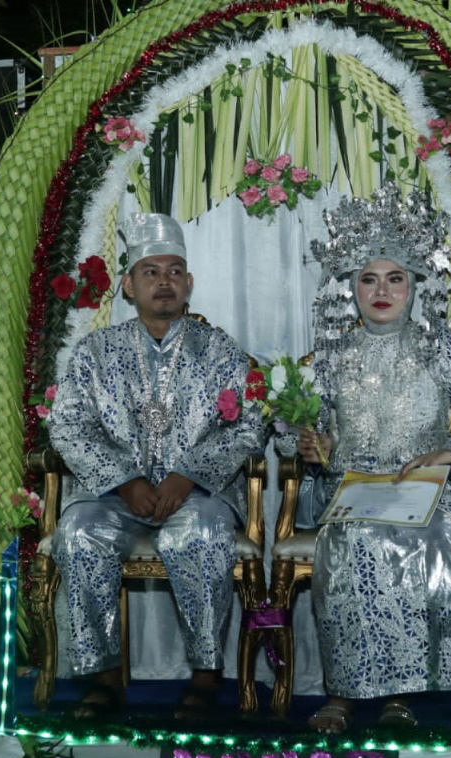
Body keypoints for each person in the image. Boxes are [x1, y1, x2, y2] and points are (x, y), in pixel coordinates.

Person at [287, 189, 451, 731]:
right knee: (353, 541)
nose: (381, 291)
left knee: (399, 541)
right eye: (368, 279)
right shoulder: (331, 355)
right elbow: (297, 430)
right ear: (350, 287)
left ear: (414, 286)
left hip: (431, 491)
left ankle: (400, 694)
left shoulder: (438, 347)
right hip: (351, 490)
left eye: (394, 278)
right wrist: (312, 446)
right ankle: (346, 694)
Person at [46, 213, 264, 720]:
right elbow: (69, 426)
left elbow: (250, 426)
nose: (163, 281)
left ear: (188, 284)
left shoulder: (221, 351)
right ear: (128, 285)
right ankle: (102, 678)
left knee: (204, 535)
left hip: (196, 495)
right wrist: (125, 483)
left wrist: (188, 476)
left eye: (174, 272)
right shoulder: (94, 352)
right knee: (79, 533)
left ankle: (206, 678)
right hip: (111, 496)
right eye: (151, 271)